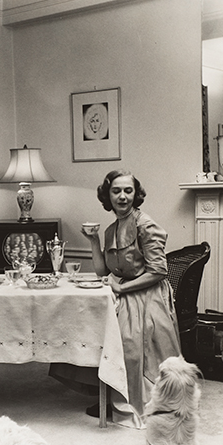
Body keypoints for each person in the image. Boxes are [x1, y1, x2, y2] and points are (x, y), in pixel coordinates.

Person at [49, 169, 181, 428]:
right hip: (123, 289)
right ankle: (107, 393)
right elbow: (103, 272)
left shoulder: (145, 225)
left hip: (147, 296)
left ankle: (127, 397)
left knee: (124, 338)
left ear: (136, 194)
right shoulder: (111, 229)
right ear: (107, 195)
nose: (122, 196)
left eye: (128, 191)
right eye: (116, 191)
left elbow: (159, 271)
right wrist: (93, 240)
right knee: (86, 323)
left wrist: (122, 289)